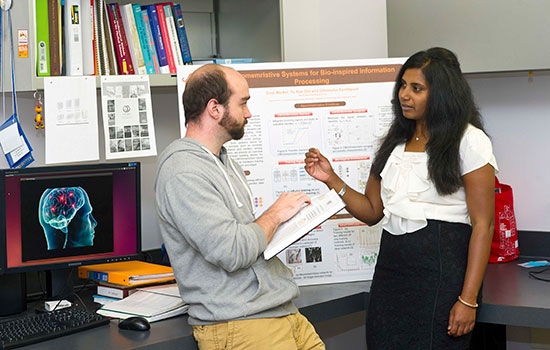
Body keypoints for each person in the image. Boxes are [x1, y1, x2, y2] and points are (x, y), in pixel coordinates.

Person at [304, 47, 497, 349]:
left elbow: (484, 225)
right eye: (402, 86)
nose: (404, 95)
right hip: (392, 269)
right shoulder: (393, 141)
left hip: (443, 270)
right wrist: (332, 179)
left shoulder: (470, 140)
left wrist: (468, 299)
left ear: (442, 93)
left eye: (416, 88)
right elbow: (371, 211)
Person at [155, 64, 325, 350]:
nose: (248, 113)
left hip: (279, 311)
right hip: (241, 323)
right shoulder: (183, 171)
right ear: (214, 108)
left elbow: (246, 236)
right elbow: (231, 250)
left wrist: (288, 225)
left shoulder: (222, 160)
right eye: (243, 103)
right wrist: (275, 214)